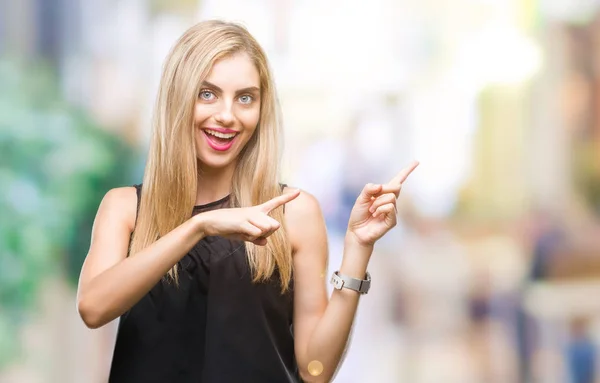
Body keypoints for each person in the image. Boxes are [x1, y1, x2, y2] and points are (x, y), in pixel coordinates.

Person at [76, 20, 419, 383]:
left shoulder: (295, 213)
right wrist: (198, 226)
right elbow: (93, 308)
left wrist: (357, 248)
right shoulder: (126, 208)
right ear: (178, 98)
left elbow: (315, 370)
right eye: (207, 94)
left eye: (245, 98)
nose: (227, 115)